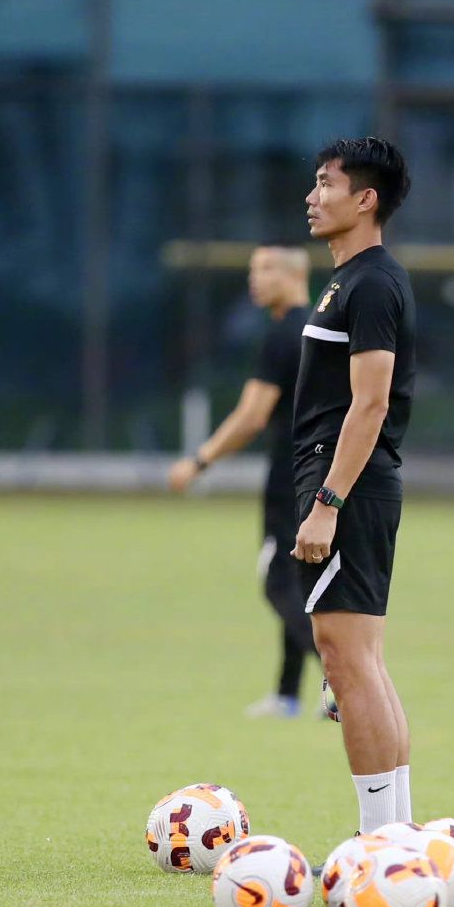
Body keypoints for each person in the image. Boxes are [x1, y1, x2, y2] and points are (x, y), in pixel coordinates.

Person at [290, 137, 417, 834]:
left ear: (365, 199)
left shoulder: (370, 282)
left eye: (325, 184)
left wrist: (327, 503)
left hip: (351, 484)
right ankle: (399, 838)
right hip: (352, 481)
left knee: (346, 659)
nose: (312, 197)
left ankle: (378, 847)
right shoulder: (351, 280)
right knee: (359, 660)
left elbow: (371, 403)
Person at [168, 246, 319, 719]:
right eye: (253, 270)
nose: (255, 279)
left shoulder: (281, 336)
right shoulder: (322, 329)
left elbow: (252, 416)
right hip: (327, 471)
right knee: (304, 580)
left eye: (266, 269)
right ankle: (288, 693)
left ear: (296, 274)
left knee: (278, 582)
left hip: (290, 475)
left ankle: (338, 679)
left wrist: (200, 460)